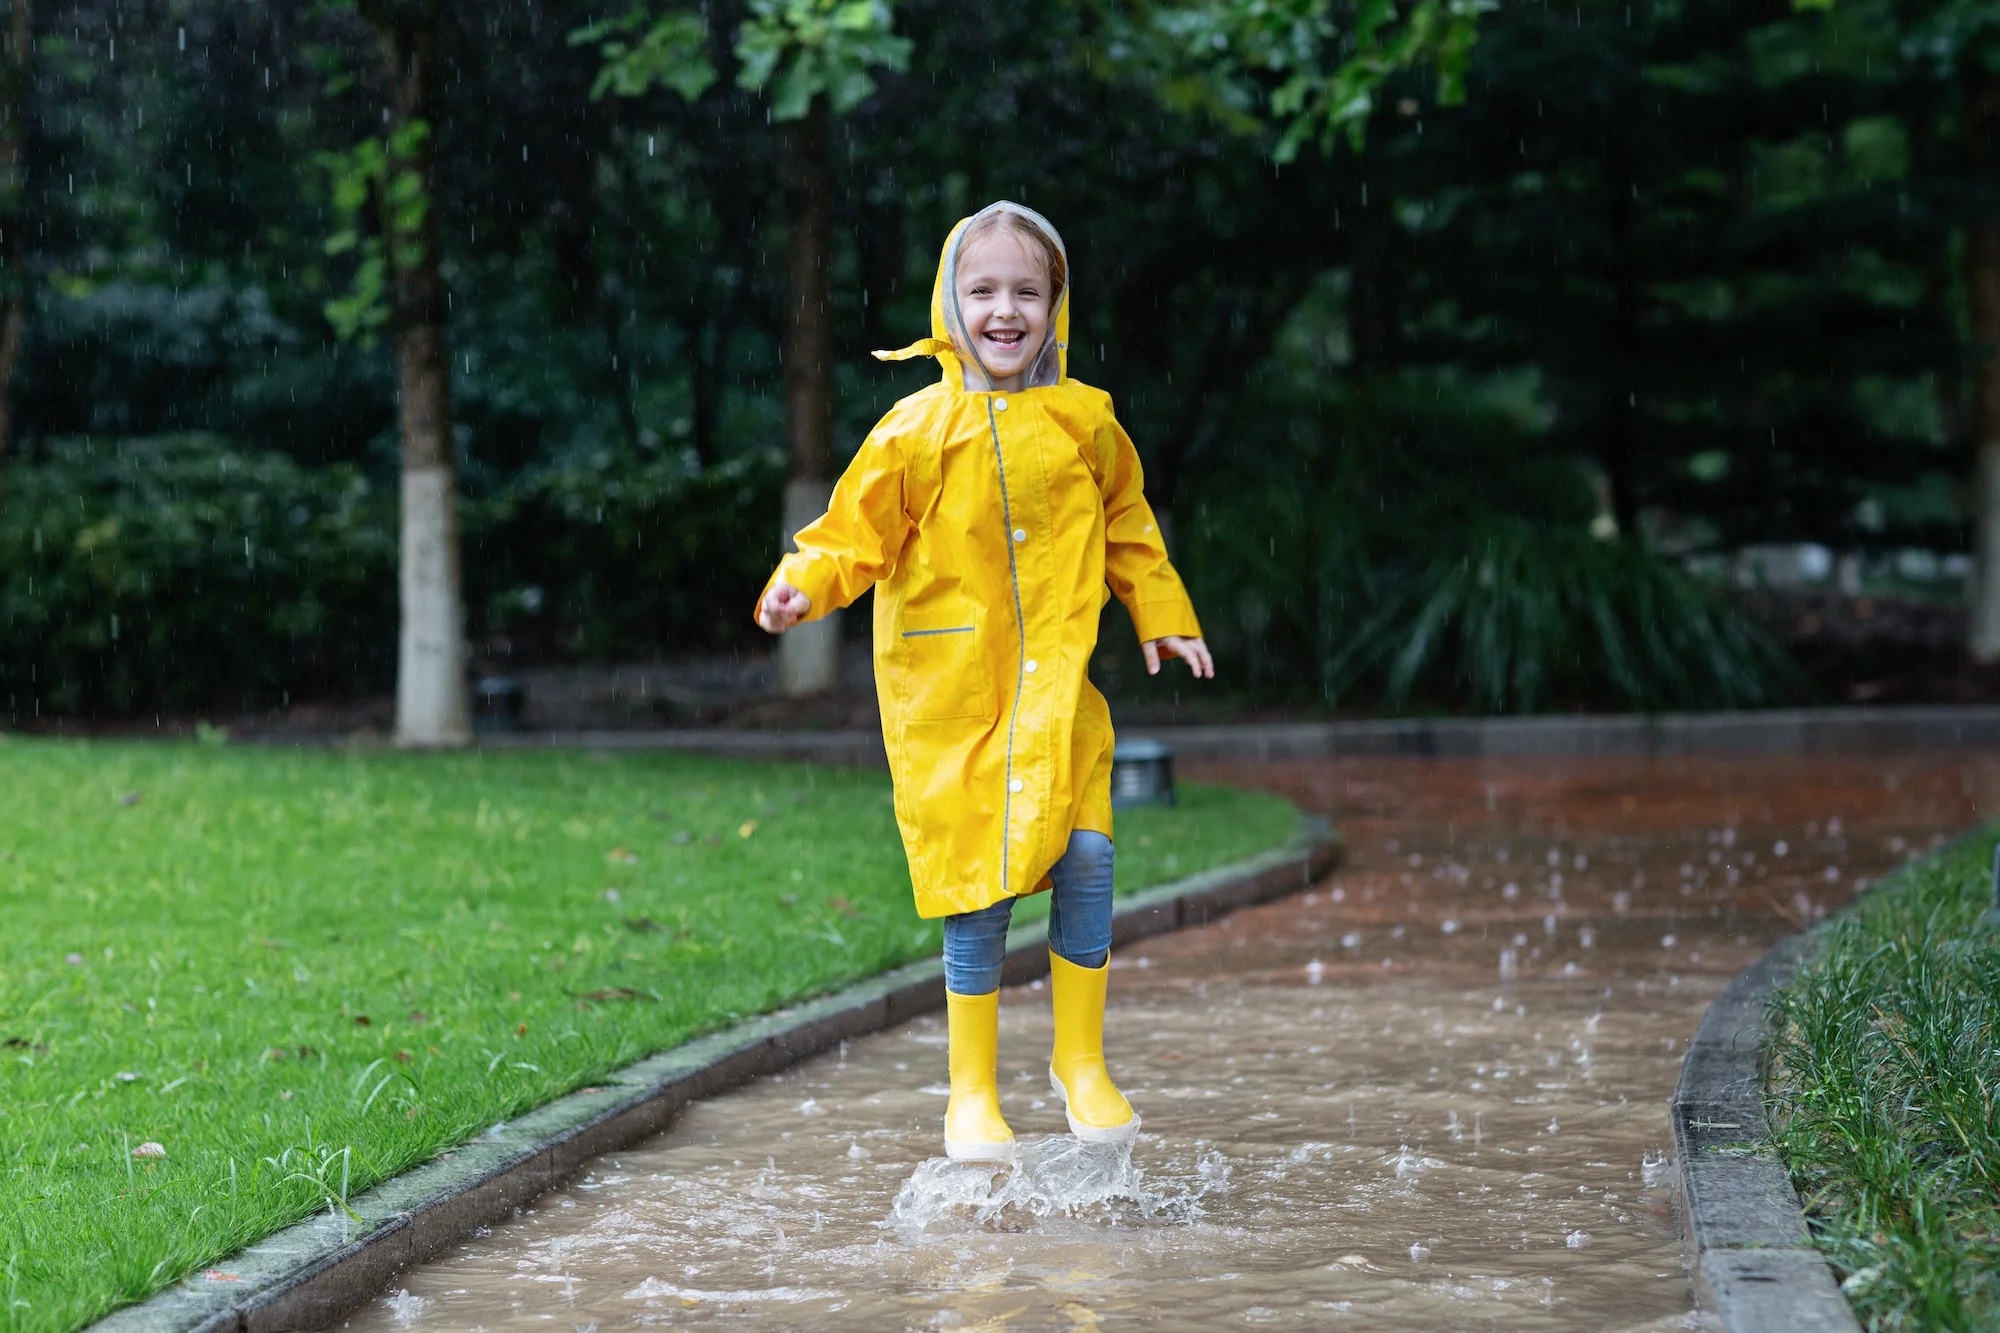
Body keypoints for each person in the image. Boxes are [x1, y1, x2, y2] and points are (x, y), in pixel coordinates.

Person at [755, 201, 1211, 1161]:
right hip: (955, 696)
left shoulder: (1087, 419)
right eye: (984, 291)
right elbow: (854, 534)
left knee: (1086, 856)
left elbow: (1128, 521)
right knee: (982, 888)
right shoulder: (916, 428)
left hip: (1059, 695)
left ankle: (1078, 1058)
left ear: (1056, 307)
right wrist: (802, 581)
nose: (1006, 311)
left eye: (1027, 292)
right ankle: (970, 1089)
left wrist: (1162, 614)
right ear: (950, 305)